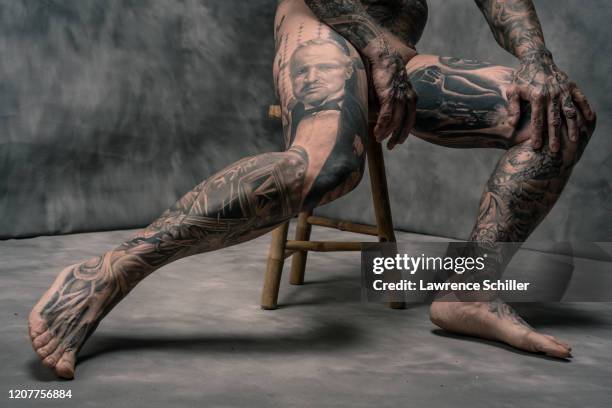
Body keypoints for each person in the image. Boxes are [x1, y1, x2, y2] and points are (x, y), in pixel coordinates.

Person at [29, 0, 596, 379]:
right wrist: (373, 51)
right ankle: (116, 267)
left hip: (399, 51)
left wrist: (536, 59)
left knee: (558, 115)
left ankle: (468, 289)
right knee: (328, 167)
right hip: (322, 29)